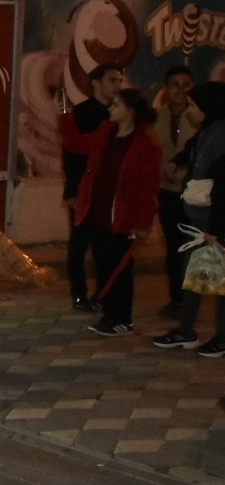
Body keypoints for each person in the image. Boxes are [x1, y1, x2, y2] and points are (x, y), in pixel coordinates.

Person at [60, 87, 161, 337]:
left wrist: (143, 222)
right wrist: (65, 117)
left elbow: (147, 187)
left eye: (116, 105)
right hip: (97, 212)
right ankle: (109, 314)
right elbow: (77, 144)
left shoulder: (146, 144)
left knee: (120, 270)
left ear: (130, 111)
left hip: (123, 217)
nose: (110, 109)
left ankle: (122, 318)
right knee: (104, 265)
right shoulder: (106, 131)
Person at [153, 83, 225, 353]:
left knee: (218, 280)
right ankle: (186, 330)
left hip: (211, 224)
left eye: (194, 106)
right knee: (194, 276)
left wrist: (217, 230)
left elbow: (222, 186)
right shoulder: (208, 131)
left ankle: (220, 337)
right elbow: (193, 150)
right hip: (200, 220)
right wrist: (180, 159)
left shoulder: (220, 134)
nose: (189, 111)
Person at [63, 64, 124, 310]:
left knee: (105, 245)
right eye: (112, 80)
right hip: (84, 188)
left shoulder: (120, 113)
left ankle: (103, 292)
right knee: (79, 243)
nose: (118, 86)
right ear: (96, 83)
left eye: (120, 80)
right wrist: (74, 191)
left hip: (109, 191)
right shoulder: (82, 113)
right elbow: (72, 156)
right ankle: (79, 293)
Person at [153, 65, 202, 318]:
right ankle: (177, 298)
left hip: (195, 192)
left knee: (194, 247)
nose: (180, 90)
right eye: (175, 84)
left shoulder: (199, 118)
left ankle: (193, 300)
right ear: (166, 88)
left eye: (186, 85)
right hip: (166, 191)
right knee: (174, 247)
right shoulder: (156, 117)